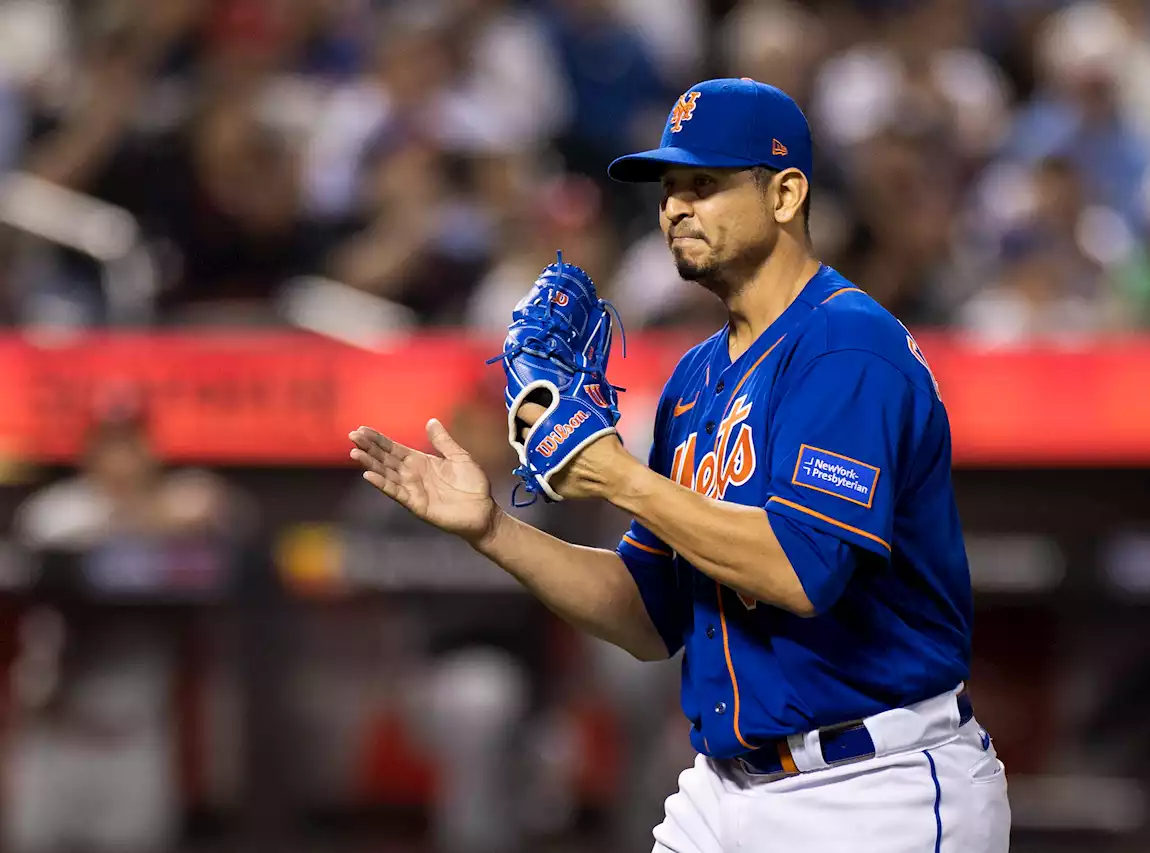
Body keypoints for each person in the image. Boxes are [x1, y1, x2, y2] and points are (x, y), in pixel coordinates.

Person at [349, 78, 1011, 852]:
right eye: (668, 190)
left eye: (705, 184)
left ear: (787, 194)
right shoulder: (695, 380)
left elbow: (801, 571)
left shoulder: (847, 348)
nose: (674, 208)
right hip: (722, 791)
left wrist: (618, 474)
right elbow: (646, 615)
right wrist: (493, 529)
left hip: (873, 787)